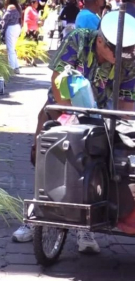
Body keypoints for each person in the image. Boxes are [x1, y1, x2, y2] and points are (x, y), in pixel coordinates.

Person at [14, 13, 135, 253]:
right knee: (46, 158)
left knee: (94, 166)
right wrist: (72, 119)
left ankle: (85, 226)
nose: (121, 59)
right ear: (101, 41)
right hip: (64, 107)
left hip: (103, 115)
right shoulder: (79, 40)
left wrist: (120, 125)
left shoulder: (130, 59)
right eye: (116, 53)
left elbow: (127, 104)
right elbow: (58, 82)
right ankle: (36, 215)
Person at [1, 0, 22, 74]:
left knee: (10, 49)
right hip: (17, 27)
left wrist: (2, 24)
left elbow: (6, 17)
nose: (5, 0)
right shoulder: (18, 6)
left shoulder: (11, 6)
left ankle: (11, 68)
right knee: (13, 48)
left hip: (11, 28)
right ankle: (16, 67)